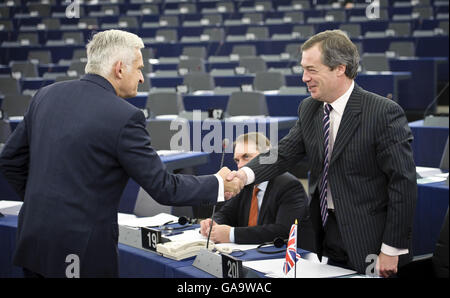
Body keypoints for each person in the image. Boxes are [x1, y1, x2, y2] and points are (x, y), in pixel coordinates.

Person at [0, 30, 243, 278]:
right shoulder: (124, 116)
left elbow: (9, 160)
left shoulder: (45, 96)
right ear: (119, 69)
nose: (141, 78)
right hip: (82, 255)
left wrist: (41, 203)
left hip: (34, 242)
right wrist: (218, 184)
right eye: (138, 68)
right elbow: (163, 186)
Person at [226, 30, 417, 277]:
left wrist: (392, 248)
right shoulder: (309, 108)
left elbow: (403, 184)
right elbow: (284, 153)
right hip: (326, 233)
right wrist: (244, 175)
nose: (304, 78)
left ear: (339, 68)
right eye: (303, 70)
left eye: (312, 70)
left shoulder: (383, 112)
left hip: (372, 239)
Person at [199, 132, 309, 244]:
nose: (240, 165)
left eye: (246, 157)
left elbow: (283, 231)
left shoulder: (289, 186)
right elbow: (226, 214)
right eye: (237, 160)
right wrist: (213, 223)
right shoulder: (245, 184)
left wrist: (232, 234)